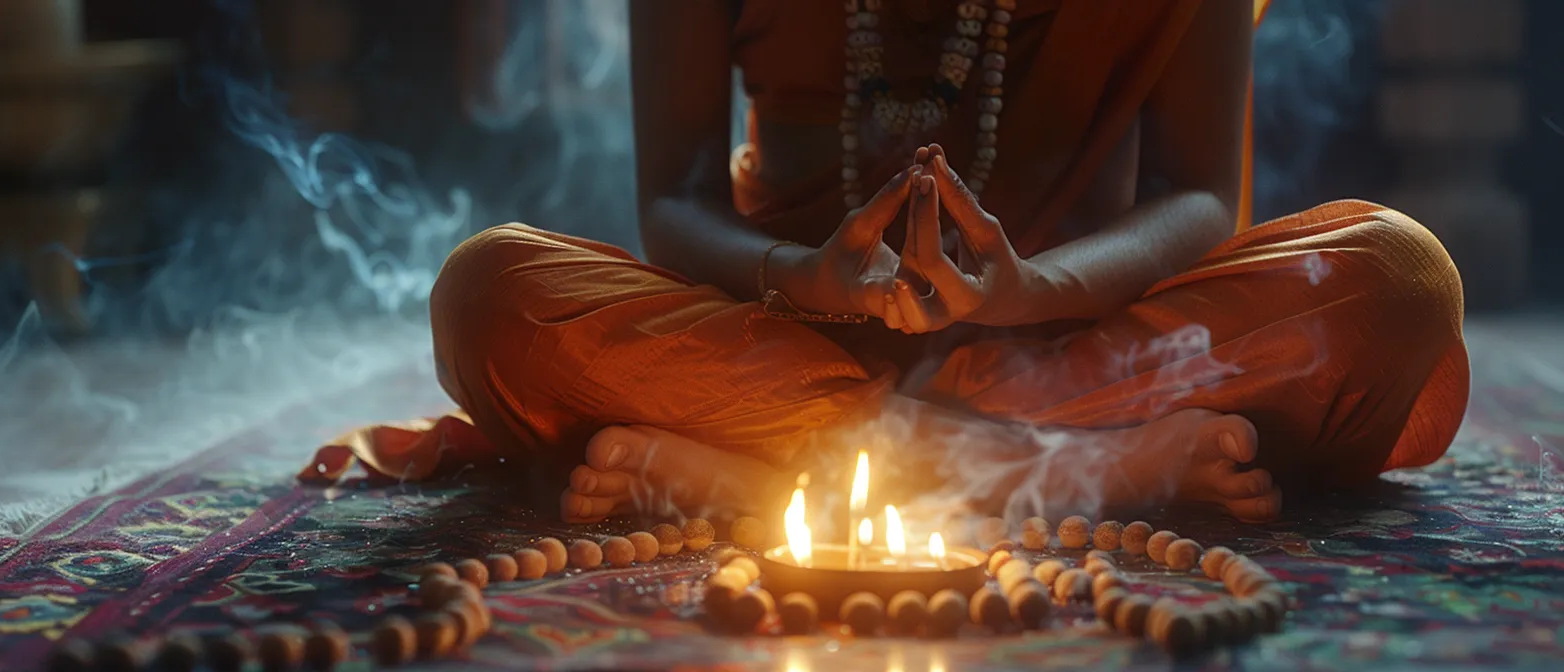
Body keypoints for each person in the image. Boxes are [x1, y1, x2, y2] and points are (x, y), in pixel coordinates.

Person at [302, 0, 1467, 526]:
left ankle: (787, 478)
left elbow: (1204, 194)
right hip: (785, 336)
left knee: (1394, 275)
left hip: (1071, 341)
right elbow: (674, 198)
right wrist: (800, 275)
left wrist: (1036, 289)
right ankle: (1064, 476)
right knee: (489, 293)